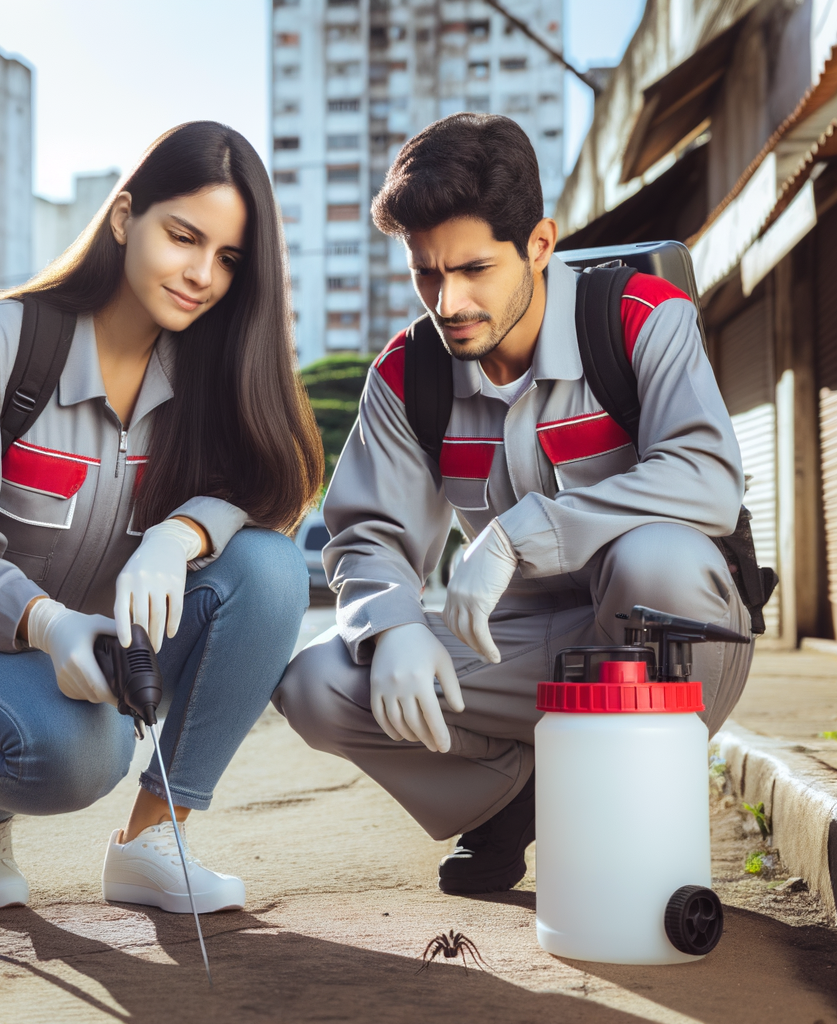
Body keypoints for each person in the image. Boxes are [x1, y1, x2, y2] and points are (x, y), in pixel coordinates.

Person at [275, 113, 753, 896]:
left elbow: (704, 475)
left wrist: (521, 533)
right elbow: (366, 536)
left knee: (654, 559)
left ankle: (621, 796)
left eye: (473, 269)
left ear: (539, 244)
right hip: (526, 647)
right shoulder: (408, 376)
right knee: (317, 684)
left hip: (674, 636)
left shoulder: (641, 319)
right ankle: (513, 796)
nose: (448, 299)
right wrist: (393, 625)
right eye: (426, 273)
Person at [0, 121, 323, 912]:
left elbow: (267, 489)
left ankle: (154, 841)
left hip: (109, 642)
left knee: (270, 569)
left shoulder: (208, 370)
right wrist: (47, 624)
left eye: (228, 259)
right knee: (79, 754)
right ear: (125, 218)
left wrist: (179, 532)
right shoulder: (2, 342)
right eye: (184, 237)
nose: (202, 275)